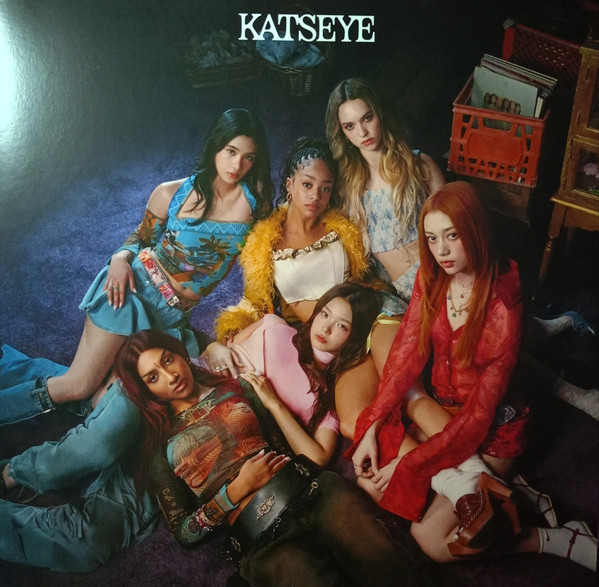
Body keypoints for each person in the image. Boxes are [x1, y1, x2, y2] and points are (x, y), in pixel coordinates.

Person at [350, 182, 597, 570]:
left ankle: (553, 539)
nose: (442, 250)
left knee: (431, 540)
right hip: (443, 411)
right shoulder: (432, 275)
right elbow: (407, 351)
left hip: (490, 432)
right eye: (432, 238)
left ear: (476, 230)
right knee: (369, 479)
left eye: (452, 235)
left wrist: (412, 463)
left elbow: (479, 417)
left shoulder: (504, 303)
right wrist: (373, 424)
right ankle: (512, 494)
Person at [0, 108, 273, 426]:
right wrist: (119, 259)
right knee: (79, 385)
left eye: (248, 157)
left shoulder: (257, 204)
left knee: (107, 400)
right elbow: (141, 238)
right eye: (230, 152)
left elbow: (274, 239)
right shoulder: (171, 194)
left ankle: (11, 368)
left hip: (175, 318)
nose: (237, 166)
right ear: (215, 146)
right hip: (133, 292)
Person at [114, 329, 430, 587]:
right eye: (153, 377)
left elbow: (280, 445)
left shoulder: (237, 387)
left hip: (311, 493)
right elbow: (184, 533)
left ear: (180, 353)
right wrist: (233, 492)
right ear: (147, 392)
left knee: (387, 563)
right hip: (260, 537)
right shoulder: (160, 450)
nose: (169, 376)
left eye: (167, 360)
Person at [214, 137, 406, 439]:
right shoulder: (264, 245)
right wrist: (227, 337)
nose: (316, 195)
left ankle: (462, 457)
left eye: (325, 188)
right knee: (357, 422)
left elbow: (366, 276)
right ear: (289, 185)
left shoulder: (340, 228)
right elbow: (255, 302)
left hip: (371, 315)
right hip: (335, 343)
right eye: (307, 184)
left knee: (405, 392)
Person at [0, 344, 158, 572]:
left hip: (165, 456)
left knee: (83, 542)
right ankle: (13, 471)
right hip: (161, 387)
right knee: (97, 433)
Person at [204, 282, 383, 467]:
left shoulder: (328, 398)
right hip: (202, 378)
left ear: (355, 337)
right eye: (325, 314)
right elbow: (216, 350)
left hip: (221, 427)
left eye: (341, 326)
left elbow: (318, 458)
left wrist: (274, 404)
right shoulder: (273, 323)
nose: (325, 328)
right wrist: (214, 347)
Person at [325, 77, 446, 304]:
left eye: (367, 118)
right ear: (342, 133)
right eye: (350, 126)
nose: (362, 132)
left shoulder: (420, 165)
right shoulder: (345, 186)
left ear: (380, 114)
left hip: (441, 273)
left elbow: (455, 226)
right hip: (399, 293)